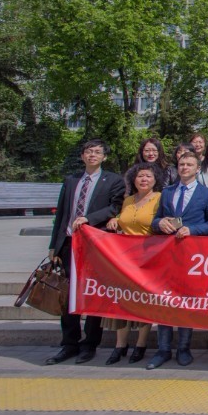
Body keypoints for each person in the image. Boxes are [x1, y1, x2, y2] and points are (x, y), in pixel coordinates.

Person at [45, 139, 126, 366]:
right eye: (88, 152)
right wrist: (54, 245)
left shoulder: (113, 181)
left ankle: (90, 343)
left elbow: (114, 207)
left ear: (104, 157)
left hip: (94, 244)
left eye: (97, 152)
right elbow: (61, 213)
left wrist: (90, 219)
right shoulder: (71, 180)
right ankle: (69, 343)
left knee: (93, 292)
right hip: (69, 242)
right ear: (82, 156)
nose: (92, 155)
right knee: (68, 293)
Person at [147, 151, 208, 369]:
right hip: (167, 254)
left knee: (186, 301)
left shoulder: (207, 194)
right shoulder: (166, 193)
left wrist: (193, 229)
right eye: (181, 164)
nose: (184, 167)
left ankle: (184, 348)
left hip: (191, 255)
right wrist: (159, 223)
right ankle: (163, 349)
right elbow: (155, 220)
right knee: (164, 301)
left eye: (189, 164)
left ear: (198, 168)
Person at [101, 162, 160, 366]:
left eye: (148, 177)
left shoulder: (160, 199)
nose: (144, 180)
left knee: (144, 302)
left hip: (147, 258)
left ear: (155, 180)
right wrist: (115, 219)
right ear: (134, 180)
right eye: (140, 176)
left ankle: (141, 344)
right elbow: (125, 219)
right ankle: (120, 345)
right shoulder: (127, 201)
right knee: (122, 301)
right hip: (124, 260)